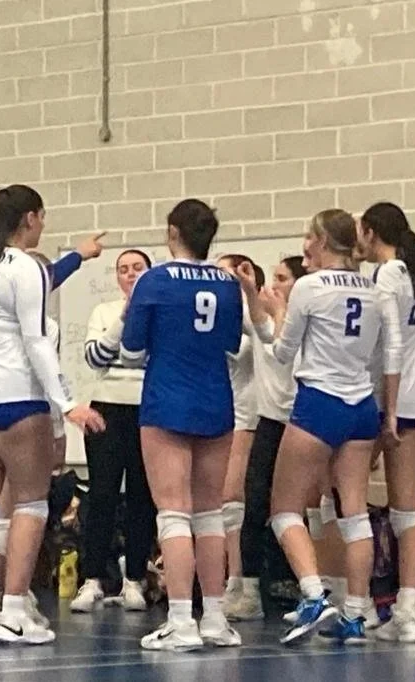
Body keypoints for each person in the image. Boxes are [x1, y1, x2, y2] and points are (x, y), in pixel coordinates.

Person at [0, 184, 104, 646]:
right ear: (29, 219)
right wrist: (67, 401)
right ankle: (14, 610)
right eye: (42, 217)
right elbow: (36, 340)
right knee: (31, 503)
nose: (43, 225)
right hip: (15, 396)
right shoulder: (24, 268)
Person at [241, 209, 401, 646]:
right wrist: (390, 413)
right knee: (354, 513)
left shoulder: (310, 286)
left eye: (309, 236)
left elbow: (281, 353)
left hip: (320, 402)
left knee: (284, 509)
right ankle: (356, 611)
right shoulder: (373, 288)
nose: (304, 244)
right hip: (362, 405)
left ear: (323, 241)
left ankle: (313, 594)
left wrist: (269, 312)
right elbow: (389, 354)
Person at [120, 198, 244, 651]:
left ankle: (180, 621)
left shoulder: (154, 281)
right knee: (210, 514)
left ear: (173, 232)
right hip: (217, 400)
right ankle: (214, 617)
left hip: (167, 401)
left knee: (172, 512)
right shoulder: (228, 284)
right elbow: (232, 346)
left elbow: (132, 352)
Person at [356, 202, 415, 643]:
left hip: (391, 397)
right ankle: (406, 607)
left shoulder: (386, 275)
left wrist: (387, 411)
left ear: (370, 232)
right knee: (406, 508)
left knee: (346, 497)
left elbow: (389, 345)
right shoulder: (410, 272)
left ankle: (361, 602)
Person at [71, 249, 156, 613]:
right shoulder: (104, 312)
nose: (130, 274)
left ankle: (134, 579)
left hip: (148, 409)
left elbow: (152, 358)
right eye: (123, 269)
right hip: (107, 407)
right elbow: (95, 357)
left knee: (142, 496)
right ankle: (92, 580)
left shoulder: (160, 311)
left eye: (138, 268)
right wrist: (123, 317)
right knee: (102, 495)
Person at [224, 256, 306, 622]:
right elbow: (254, 321)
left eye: (283, 278)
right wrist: (243, 287)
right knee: (255, 505)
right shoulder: (261, 317)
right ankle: (249, 589)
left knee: (307, 508)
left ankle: (314, 587)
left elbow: (285, 348)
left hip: (305, 421)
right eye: (272, 278)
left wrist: (282, 309)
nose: (274, 285)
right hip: (270, 422)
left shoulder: (307, 319)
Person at [215, 253, 264, 614]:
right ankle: (231, 582)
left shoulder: (251, 313)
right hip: (224, 410)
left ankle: (242, 586)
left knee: (235, 497)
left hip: (248, 411)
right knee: (225, 500)